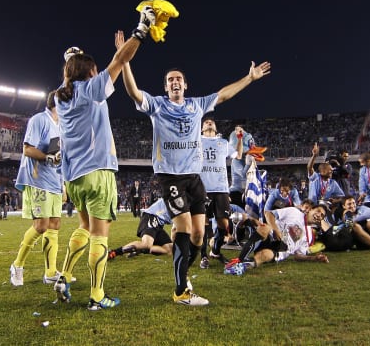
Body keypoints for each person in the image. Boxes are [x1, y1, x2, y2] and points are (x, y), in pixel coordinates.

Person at [121, 42, 271, 306]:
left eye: (178, 79)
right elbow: (133, 92)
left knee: (199, 236)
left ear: (185, 85)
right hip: (171, 177)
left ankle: (183, 276)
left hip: (195, 179)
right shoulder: (157, 106)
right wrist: (124, 60)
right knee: (183, 227)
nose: (175, 82)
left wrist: (249, 78)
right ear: (166, 87)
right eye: (170, 80)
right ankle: (180, 291)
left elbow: (223, 95)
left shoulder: (197, 105)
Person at [53, 8, 155, 312]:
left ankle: (65, 275)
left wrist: (72, 63)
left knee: (84, 227)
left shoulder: (60, 96)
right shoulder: (91, 88)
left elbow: (75, 76)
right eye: (95, 70)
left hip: (73, 177)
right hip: (98, 172)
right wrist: (141, 30)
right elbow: (121, 61)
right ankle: (97, 295)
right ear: (90, 73)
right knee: (99, 235)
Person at [10, 91, 67, 288]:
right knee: (41, 226)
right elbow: (27, 149)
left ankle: (50, 272)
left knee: (55, 224)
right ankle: (17, 266)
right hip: (37, 178)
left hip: (54, 180)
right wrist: (48, 157)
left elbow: (60, 158)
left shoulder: (62, 125)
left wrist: (63, 184)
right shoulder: (39, 119)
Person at [227, 205, 329, 272]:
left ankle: (243, 267)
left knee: (266, 255)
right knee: (264, 228)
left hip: (280, 250)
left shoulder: (309, 235)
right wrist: (276, 230)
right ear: (310, 209)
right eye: (318, 211)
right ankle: (240, 259)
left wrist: (314, 258)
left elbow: (298, 255)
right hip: (271, 235)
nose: (319, 215)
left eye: (322, 215)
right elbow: (269, 214)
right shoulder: (294, 212)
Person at [198, 115, 241, 268]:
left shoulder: (223, 143)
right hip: (202, 189)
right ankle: (203, 256)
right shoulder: (196, 141)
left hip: (221, 188)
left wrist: (240, 139)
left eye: (212, 122)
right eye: (206, 122)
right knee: (203, 223)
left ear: (215, 127)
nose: (209, 123)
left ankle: (215, 251)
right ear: (202, 128)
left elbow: (238, 155)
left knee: (223, 223)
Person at [108, 198, 173, 259]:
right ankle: (114, 252)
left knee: (169, 249)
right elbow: (175, 230)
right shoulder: (177, 200)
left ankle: (140, 249)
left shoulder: (179, 199)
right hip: (152, 216)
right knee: (147, 244)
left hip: (159, 224)